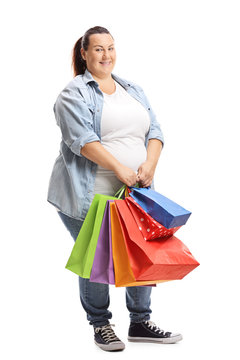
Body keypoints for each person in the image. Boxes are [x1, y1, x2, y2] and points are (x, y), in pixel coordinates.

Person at [47, 26, 182, 352]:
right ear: (84, 53)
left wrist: (149, 165)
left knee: (143, 252)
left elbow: (156, 130)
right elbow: (82, 141)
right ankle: (101, 324)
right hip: (89, 193)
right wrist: (119, 168)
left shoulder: (131, 89)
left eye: (110, 48)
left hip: (136, 192)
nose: (106, 55)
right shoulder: (73, 94)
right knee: (96, 257)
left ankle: (139, 321)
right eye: (97, 49)